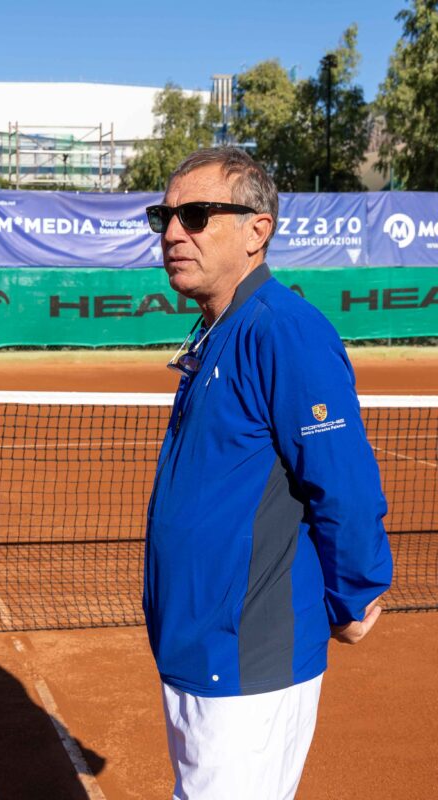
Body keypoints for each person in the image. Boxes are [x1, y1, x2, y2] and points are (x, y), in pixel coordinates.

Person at [142, 147, 392, 800]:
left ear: (258, 230)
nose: (173, 233)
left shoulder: (283, 330)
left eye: (196, 215)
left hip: (247, 657)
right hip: (200, 648)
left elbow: (343, 482)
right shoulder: (218, 330)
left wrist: (356, 594)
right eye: (164, 217)